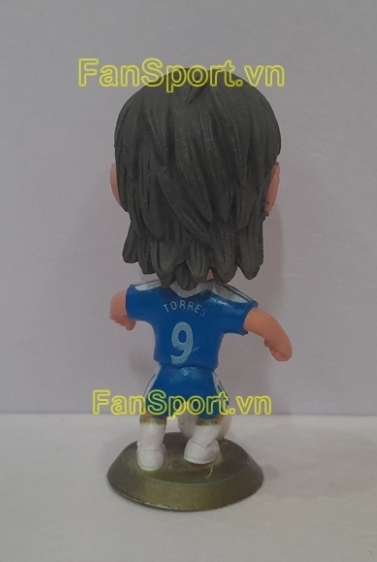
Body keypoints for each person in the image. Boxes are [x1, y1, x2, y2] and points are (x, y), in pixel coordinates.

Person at [109, 75, 292, 471]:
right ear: (271, 188)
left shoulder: (153, 296)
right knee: (213, 418)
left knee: (153, 413)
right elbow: (261, 322)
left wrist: (123, 317)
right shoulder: (220, 303)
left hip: (165, 377)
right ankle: (198, 449)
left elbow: (120, 302)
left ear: (118, 185)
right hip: (204, 380)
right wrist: (279, 343)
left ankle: (148, 453)